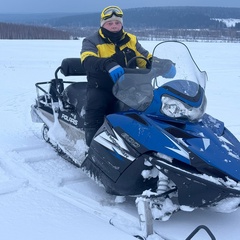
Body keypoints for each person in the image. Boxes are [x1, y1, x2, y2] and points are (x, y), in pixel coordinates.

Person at [81, 6, 176, 147]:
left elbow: (144, 58)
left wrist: (162, 65)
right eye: (110, 23)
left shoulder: (131, 39)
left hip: (129, 86)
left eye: (117, 22)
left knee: (150, 108)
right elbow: (87, 60)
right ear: (102, 24)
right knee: (96, 107)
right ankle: (91, 147)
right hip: (102, 87)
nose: (114, 26)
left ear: (122, 23)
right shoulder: (92, 40)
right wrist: (107, 64)